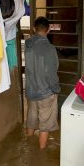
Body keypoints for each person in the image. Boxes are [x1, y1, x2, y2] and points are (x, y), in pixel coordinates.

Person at [24, 16, 60, 149]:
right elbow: (51, 73)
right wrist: (56, 89)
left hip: (30, 90)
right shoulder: (49, 48)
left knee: (31, 118)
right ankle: (41, 153)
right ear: (48, 29)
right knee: (45, 123)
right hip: (45, 92)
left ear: (34, 29)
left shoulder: (28, 45)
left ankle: (28, 146)